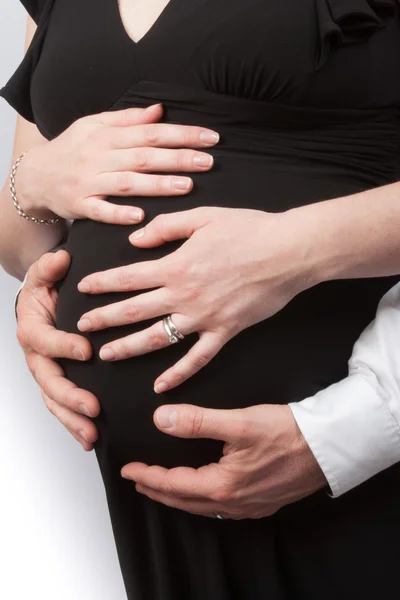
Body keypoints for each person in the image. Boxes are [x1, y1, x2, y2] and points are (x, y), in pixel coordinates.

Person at [1, 1, 400, 598]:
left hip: (360, 456)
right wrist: (33, 187)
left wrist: (290, 253)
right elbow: (24, 242)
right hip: (164, 508)